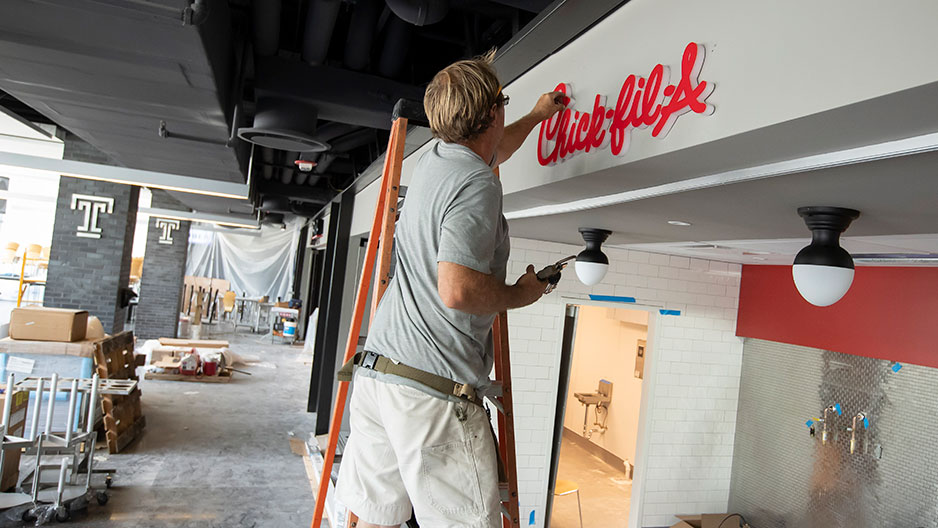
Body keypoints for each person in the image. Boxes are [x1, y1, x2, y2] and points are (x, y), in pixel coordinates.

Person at [335, 50, 566, 528]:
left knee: (372, 519)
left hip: (380, 374)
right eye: (503, 101)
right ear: (491, 113)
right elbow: (457, 290)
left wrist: (539, 116)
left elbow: (496, 147)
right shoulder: (477, 182)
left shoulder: (437, 161)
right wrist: (520, 295)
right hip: (430, 396)